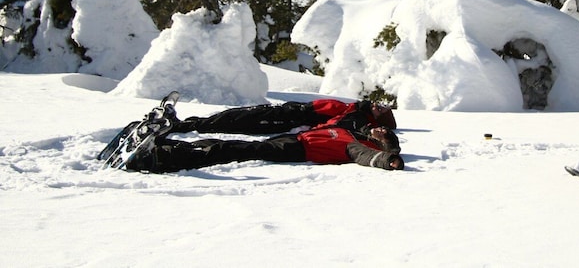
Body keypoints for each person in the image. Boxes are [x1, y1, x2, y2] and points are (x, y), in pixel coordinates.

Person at [125, 124, 404, 173]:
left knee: (233, 151)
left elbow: (369, 157)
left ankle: (161, 160)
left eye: (384, 133)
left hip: (294, 152)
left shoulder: (356, 146)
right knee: (231, 145)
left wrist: (388, 159)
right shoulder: (350, 131)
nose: (379, 129)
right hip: (292, 141)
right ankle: (170, 145)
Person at [169, 98, 397, 136]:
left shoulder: (357, 116)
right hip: (290, 109)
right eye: (382, 105)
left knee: (239, 121)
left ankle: (185, 127)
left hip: (290, 119)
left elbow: (348, 125)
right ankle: (189, 123)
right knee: (237, 114)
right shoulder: (355, 105)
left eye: (382, 109)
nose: (379, 105)